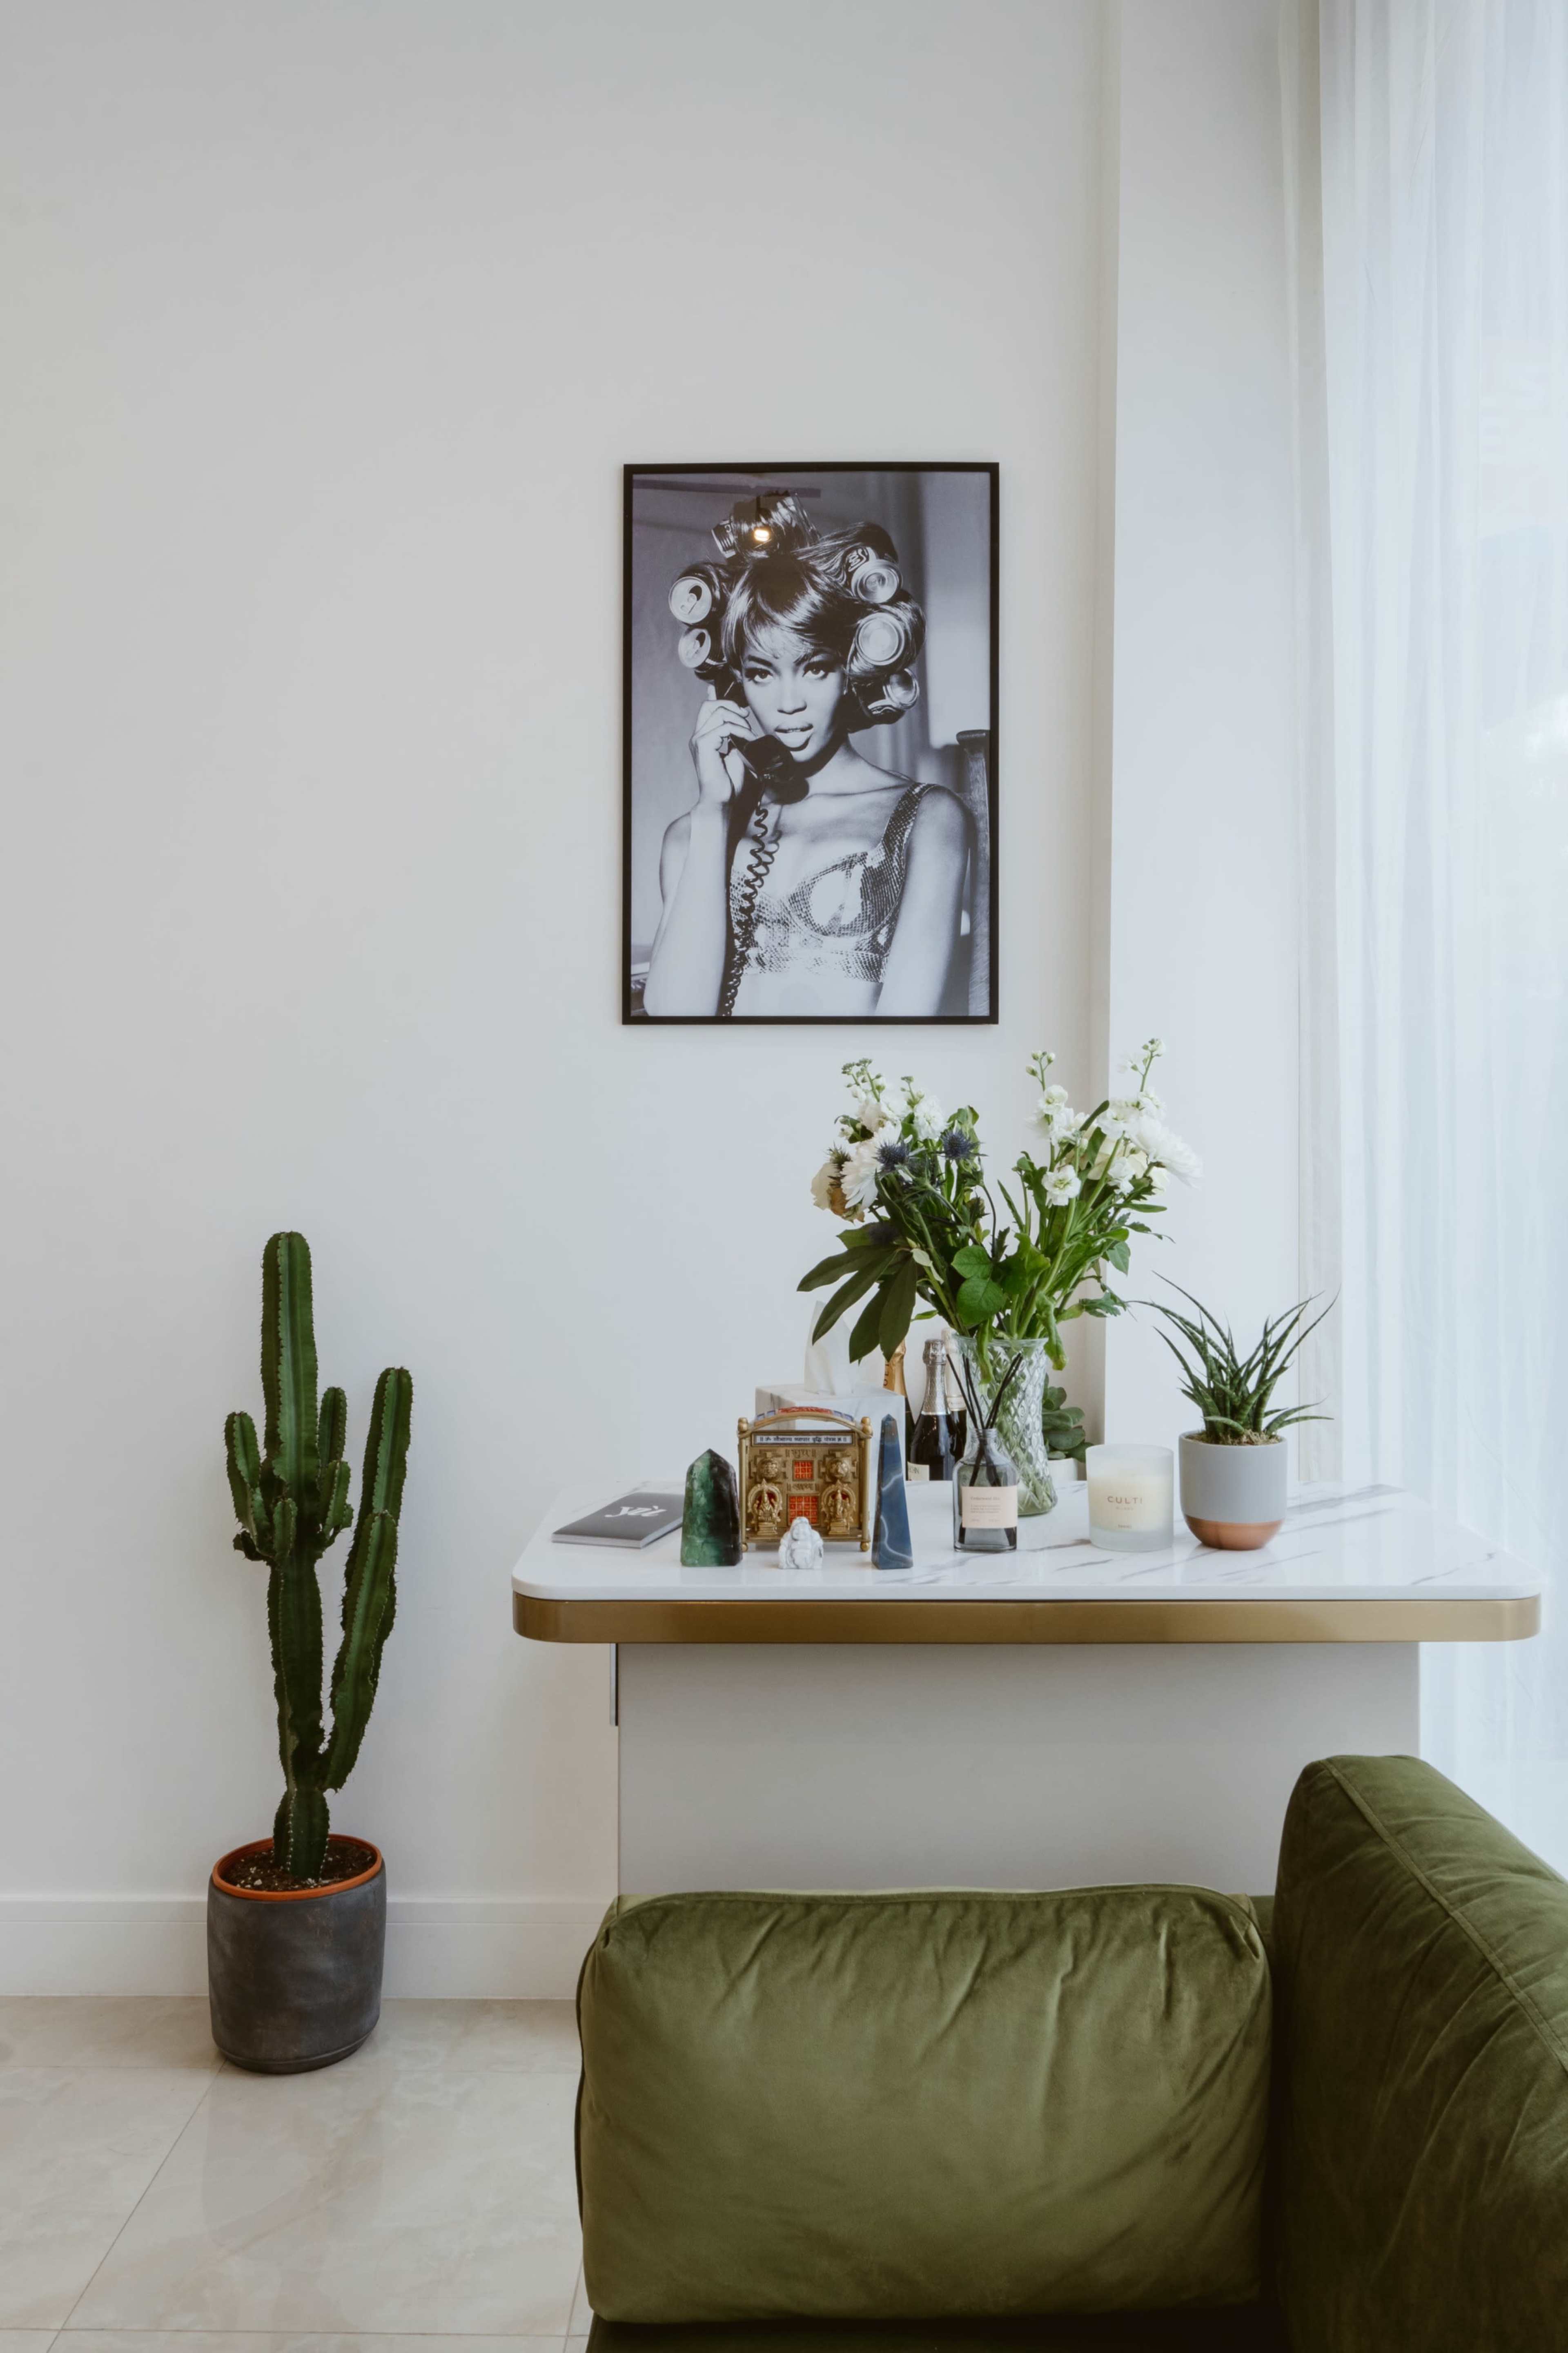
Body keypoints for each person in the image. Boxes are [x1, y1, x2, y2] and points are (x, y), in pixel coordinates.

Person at [642, 493, 970, 1018]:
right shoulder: (692, 836)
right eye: (762, 673)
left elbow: (911, 1029)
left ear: (849, 669)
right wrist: (713, 814)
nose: (788, 703)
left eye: (814, 668)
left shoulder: (929, 817)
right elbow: (675, 1017)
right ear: (734, 685)